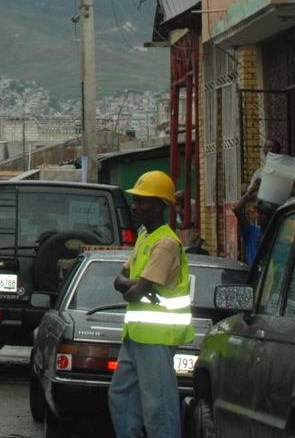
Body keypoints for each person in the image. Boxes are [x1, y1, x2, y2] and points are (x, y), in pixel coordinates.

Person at [109, 170, 191, 438]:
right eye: (135, 201)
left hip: (157, 336)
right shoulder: (146, 237)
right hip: (136, 334)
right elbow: (119, 280)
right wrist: (134, 285)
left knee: (158, 405)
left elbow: (134, 290)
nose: (135, 207)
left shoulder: (166, 243)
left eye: (142, 202)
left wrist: (132, 286)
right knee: (121, 396)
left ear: (158, 206)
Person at [232, 137, 282, 263]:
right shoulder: (260, 173)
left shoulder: (280, 235)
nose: (271, 150)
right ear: (264, 151)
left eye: (274, 147)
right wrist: (252, 190)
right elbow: (238, 208)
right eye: (268, 147)